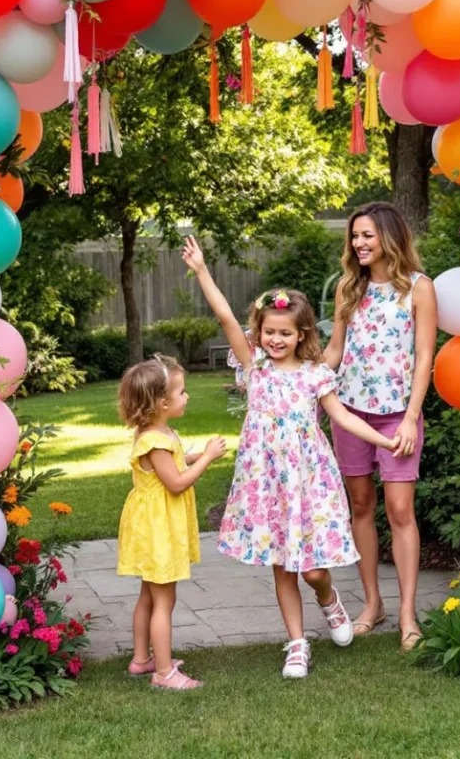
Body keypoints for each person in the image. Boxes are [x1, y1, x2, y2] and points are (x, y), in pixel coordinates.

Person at [182, 236, 402, 679]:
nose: (275, 339)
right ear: (258, 333)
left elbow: (341, 417)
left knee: (314, 570)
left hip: (308, 479)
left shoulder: (315, 374)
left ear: (301, 334)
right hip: (266, 480)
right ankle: (297, 644)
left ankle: (329, 600)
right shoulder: (255, 367)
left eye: (285, 333)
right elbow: (224, 315)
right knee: (282, 562)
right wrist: (202, 270)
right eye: (269, 332)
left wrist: (384, 441)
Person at [323, 202, 437, 652]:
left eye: (367, 235)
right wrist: (303, 377)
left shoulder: (418, 289)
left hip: (396, 416)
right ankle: (373, 604)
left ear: (388, 236)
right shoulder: (349, 288)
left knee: (400, 510)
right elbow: (335, 349)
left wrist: (411, 416)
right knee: (361, 505)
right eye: (355, 236)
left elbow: (425, 356)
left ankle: (408, 613)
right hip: (349, 412)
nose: (359, 243)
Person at [117, 353, 227, 690]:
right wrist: (207, 458)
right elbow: (177, 482)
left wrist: (192, 454)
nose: (187, 396)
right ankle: (163, 673)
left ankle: (141, 659)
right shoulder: (154, 440)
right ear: (162, 402)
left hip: (152, 524)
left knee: (149, 596)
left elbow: (174, 460)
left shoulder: (157, 432)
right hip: (158, 529)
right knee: (164, 600)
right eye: (181, 392)